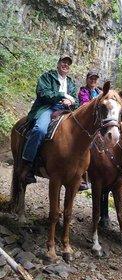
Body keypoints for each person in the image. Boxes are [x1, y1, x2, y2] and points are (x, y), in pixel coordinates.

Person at [22, 53, 78, 184]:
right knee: (40, 130)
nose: (66, 65)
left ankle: (78, 171)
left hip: (66, 110)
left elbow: (75, 99)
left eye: (68, 63)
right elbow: (42, 93)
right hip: (48, 107)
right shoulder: (47, 76)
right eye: (63, 62)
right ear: (58, 64)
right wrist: (62, 95)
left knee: (81, 132)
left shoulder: (70, 82)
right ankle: (27, 165)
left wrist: (71, 102)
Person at [78, 70, 101, 190]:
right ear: (87, 80)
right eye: (91, 79)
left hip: (98, 124)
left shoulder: (99, 92)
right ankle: (82, 175)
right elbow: (85, 106)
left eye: (95, 79)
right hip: (86, 125)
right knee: (85, 146)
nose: (93, 81)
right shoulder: (83, 91)